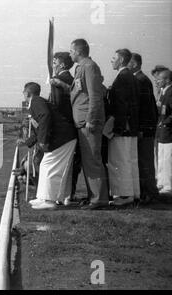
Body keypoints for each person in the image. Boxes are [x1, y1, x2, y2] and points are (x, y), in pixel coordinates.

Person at [70, 38, 109, 209]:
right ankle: (94, 196)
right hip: (82, 121)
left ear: (78, 51)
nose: (70, 54)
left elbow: (95, 96)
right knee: (88, 160)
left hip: (88, 121)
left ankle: (99, 199)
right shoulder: (82, 67)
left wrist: (91, 119)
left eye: (71, 51)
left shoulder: (89, 66)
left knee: (93, 159)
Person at [106, 48, 140, 206]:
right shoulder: (131, 77)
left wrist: (117, 128)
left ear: (121, 60)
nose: (111, 60)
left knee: (121, 161)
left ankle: (125, 195)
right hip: (131, 126)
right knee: (130, 160)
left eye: (113, 58)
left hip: (123, 127)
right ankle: (133, 192)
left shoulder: (122, 78)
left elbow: (121, 106)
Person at [48, 52, 79, 206]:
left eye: (54, 62)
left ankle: (64, 195)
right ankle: (66, 195)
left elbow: (58, 104)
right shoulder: (65, 79)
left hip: (64, 126)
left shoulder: (63, 79)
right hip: (68, 125)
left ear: (61, 65)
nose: (52, 65)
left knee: (64, 163)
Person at [128, 53, 159, 204]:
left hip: (144, 129)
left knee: (144, 161)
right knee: (143, 161)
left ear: (134, 64)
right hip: (145, 128)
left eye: (128, 62)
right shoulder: (141, 79)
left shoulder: (140, 80)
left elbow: (145, 108)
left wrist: (141, 128)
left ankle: (149, 193)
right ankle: (147, 192)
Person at [16, 82, 52, 209]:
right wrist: (27, 142)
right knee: (37, 164)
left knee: (39, 164)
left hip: (49, 141)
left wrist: (42, 140)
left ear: (27, 93)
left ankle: (45, 197)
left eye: (23, 92)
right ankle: (41, 195)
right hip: (42, 140)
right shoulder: (35, 103)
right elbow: (38, 128)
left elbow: (45, 118)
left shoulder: (36, 102)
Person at [155, 68, 172, 195]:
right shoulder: (163, 92)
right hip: (162, 132)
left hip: (169, 132)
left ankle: (168, 186)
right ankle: (162, 183)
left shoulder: (171, 93)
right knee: (161, 158)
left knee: (167, 159)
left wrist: (165, 122)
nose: (157, 81)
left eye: (160, 79)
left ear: (167, 80)